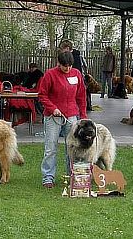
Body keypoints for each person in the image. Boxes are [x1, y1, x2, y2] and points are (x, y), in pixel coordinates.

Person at [38, 51, 87, 189]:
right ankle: (48, 177)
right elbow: (42, 95)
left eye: (70, 66)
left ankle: (72, 175)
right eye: (65, 66)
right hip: (53, 116)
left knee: (72, 148)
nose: (68, 69)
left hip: (71, 115)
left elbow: (81, 96)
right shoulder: (50, 74)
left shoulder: (77, 74)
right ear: (58, 63)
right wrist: (52, 108)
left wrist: (82, 116)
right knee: (51, 147)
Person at [59, 39, 92, 111]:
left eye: (62, 49)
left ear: (67, 48)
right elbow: (85, 66)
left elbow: (76, 70)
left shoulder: (73, 57)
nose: (61, 51)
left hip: (74, 80)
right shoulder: (79, 55)